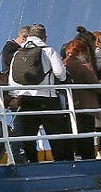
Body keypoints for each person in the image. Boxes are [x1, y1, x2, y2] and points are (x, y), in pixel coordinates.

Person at [8, 23, 69, 163]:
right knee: (56, 134)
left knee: (28, 136)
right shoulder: (49, 51)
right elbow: (60, 73)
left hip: (25, 99)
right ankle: (61, 162)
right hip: (47, 98)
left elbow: (12, 78)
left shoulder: (18, 52)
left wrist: (15, 95)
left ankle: (31, 163)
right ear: (45, 37)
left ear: (29, 36)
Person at [62, 39, 101, 160]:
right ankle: (88, 159)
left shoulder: (63, 64)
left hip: (69, 104)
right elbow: (96, 86)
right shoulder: (84, 67)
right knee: (87, 135)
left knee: (73, 132)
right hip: (86, 105)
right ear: (81, 52)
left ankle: (74, 156)